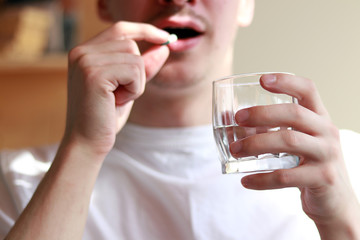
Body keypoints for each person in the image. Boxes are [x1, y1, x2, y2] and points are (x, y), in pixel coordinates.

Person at [1, 0, 359, 239]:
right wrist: (82, 149)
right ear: (104, 3)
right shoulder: (16, 181)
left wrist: (341, 224)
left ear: (247, 3)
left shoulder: (344, 166)